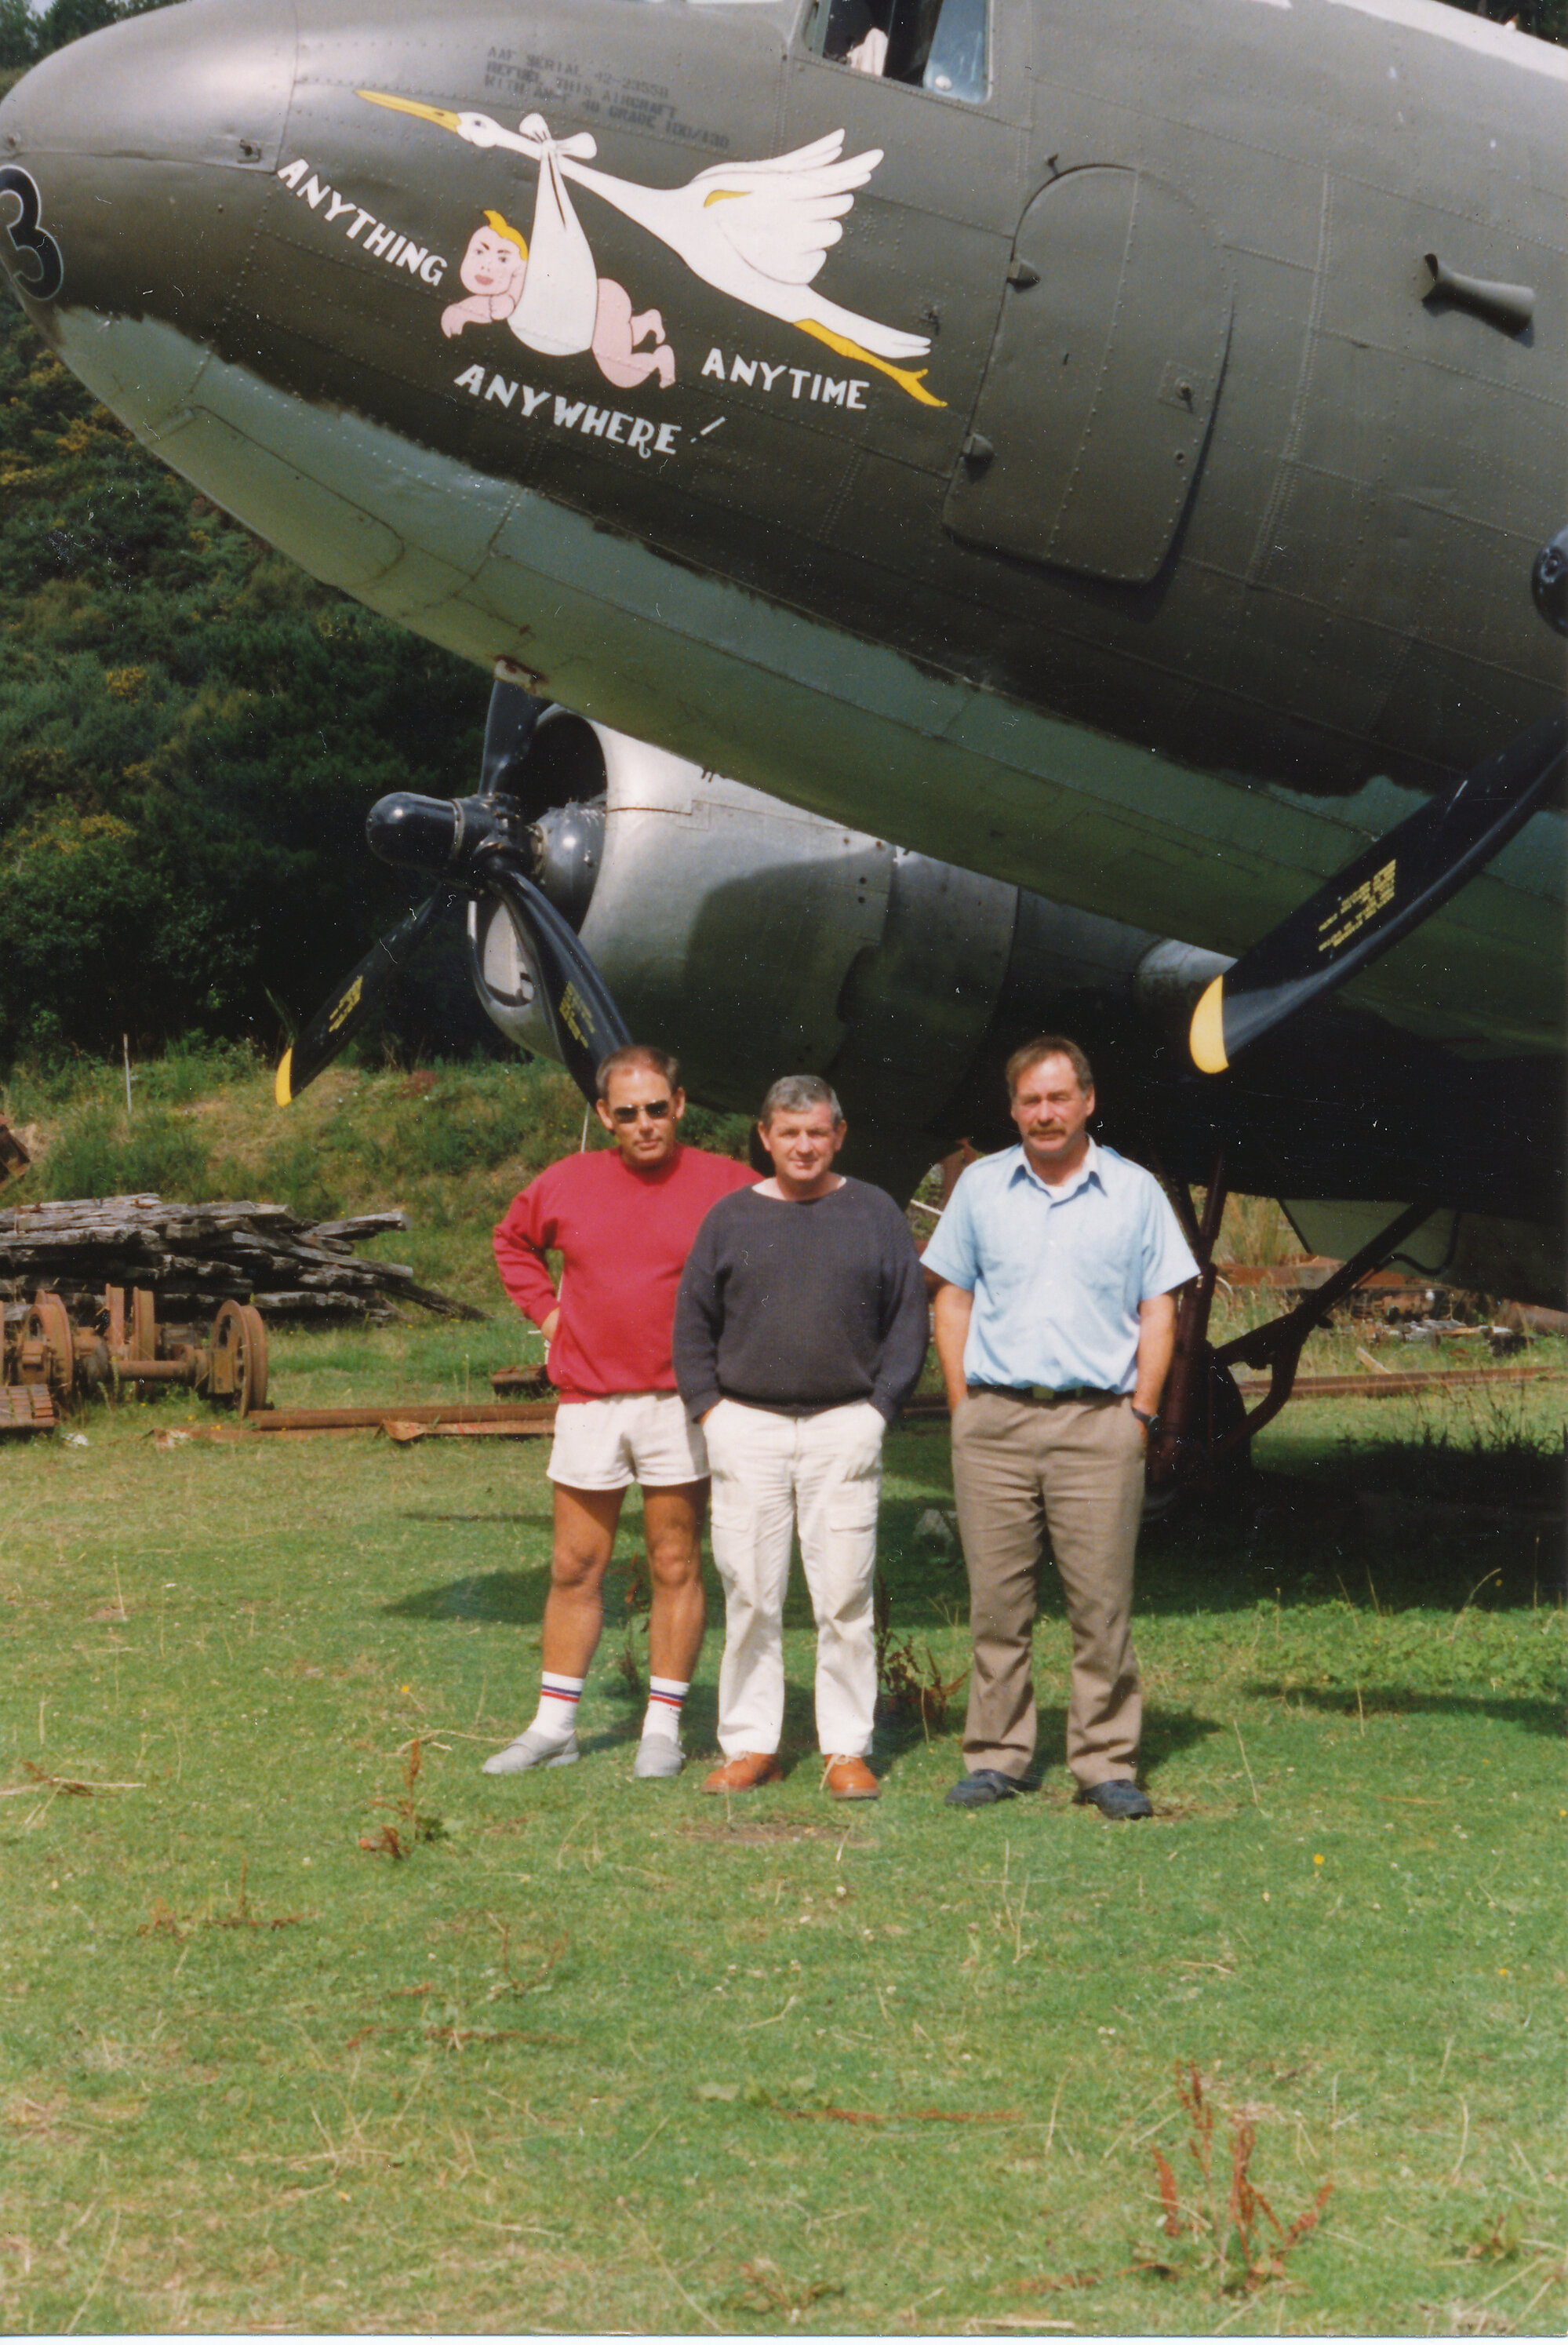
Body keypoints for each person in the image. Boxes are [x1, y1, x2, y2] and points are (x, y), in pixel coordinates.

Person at [921, 1037, 1198, 1819]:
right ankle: (997, 1757)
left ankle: (1105, 1762)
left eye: (1058, 1098)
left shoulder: (1134, 1191)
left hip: (1097, 1424)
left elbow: (1159, 1305)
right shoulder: (979, 1187)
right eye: (1030, 1101)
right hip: (995, 1423)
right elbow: (950, 1296)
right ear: (1013, 1109)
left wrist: (1139, 1412)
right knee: (996, 1605)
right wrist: (960, 1402)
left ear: (1086, 1101)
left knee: (1100, 1605)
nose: (1044, 1113)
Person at [484, 1044, 754, 1780]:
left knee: (673, 1559)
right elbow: (512, 1241)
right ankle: (554, 1726)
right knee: (576, 1564)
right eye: (627, 1113)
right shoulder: (567, 1182)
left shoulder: (728, 1184)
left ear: (680, 1105)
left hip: (679, 1401)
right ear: (604, 1116)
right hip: (590, 1401)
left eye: (656, 1109)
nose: (644, 1124)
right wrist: (547, 1315)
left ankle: (661, 1728)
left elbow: (783, 1238)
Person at [673, 1076, 930, 1801]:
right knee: (751, 1592)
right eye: (789, 1133)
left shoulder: (874, 1212)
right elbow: (692, 1322)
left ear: (838, 1135)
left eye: (817, 1132)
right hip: (744, 1424)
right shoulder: (728, 1219)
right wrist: (710, 1414)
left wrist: (880, 1411)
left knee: (844, 1595)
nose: (804, 1146)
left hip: (844, 1422)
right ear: (765, 1136)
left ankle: (845, 1748)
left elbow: (909, 1319)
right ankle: (752, 1744)